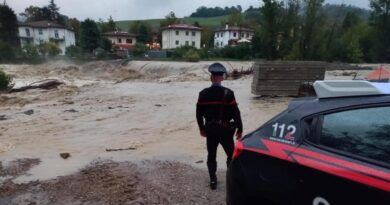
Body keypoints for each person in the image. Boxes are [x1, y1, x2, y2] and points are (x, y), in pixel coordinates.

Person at [196, 62, 243, 190]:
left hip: (210, 130)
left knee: (211, 155)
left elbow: (198, 114)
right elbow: (236, 113)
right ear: (222, 77)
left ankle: (213, 180)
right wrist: (240, 129)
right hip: (226, 131)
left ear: (211, 77)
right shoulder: (229, 93)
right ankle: (230, 178)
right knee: (231, 155)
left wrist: (201, 129)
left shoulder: (203, 94)